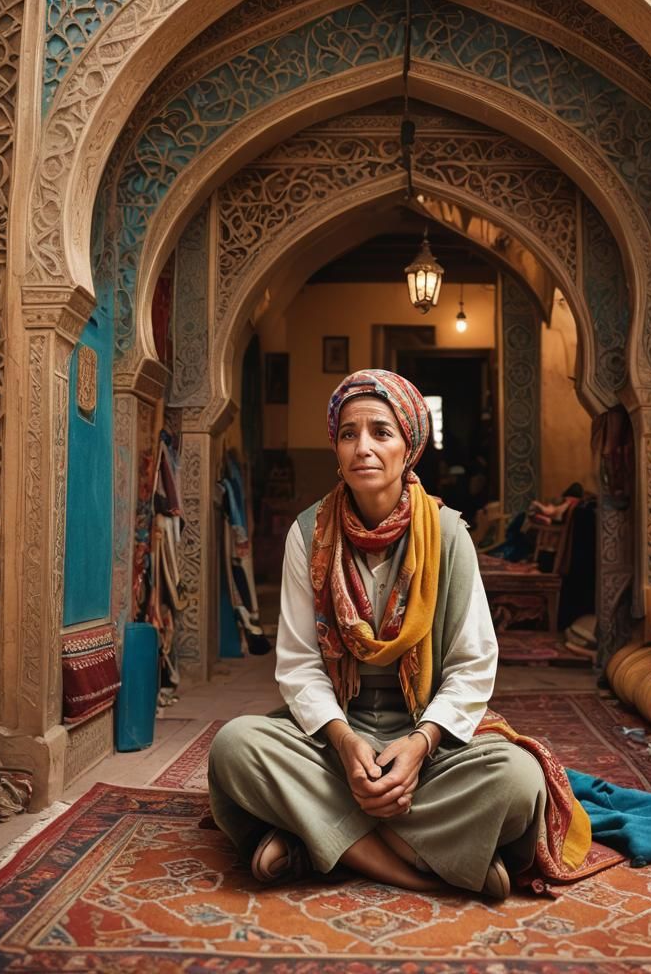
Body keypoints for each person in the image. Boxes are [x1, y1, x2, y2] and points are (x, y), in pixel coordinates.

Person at [208, 369, 591, 899]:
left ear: (408, 446)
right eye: (348, 434)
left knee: (518, 782)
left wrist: (418, 746)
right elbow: (299, 664)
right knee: (235, 747)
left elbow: (472, 662)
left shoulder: (449, 533)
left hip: (424, 733)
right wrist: (345, 743)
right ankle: (416, 865)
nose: (363, 447)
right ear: (336, 448)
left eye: (381, 432)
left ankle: (311, 838)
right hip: (337, 733)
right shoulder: (307, 534)